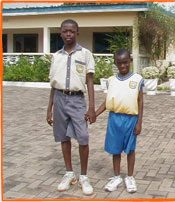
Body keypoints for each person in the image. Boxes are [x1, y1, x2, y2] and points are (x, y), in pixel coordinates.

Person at [46, 19, 96, 196]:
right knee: (63, 137)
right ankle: (69, 173)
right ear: (60, 33)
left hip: (77, 101)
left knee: (83, 138)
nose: (68, 34)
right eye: (65, 31)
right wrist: (49, 108)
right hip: (59, 98)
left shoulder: (85, 54)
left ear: (77, 32)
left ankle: (83, 176)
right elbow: (53, 84)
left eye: (72, 31)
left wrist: (91, 107)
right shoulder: (56, 56)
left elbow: (89, 81)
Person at [96, 49, 144, 193]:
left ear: (130, 61)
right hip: (114, 119)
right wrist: (95, 114)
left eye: (125, 62)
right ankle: (116, 176)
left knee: (131, 150)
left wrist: (139, 122)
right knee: (115, 150)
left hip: (131, 119)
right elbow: (107, 102)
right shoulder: (111, 81)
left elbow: (140, 102)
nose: (122, 65)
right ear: (115, 63)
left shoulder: (137, 79)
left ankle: (129, 177)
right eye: (119, 63)